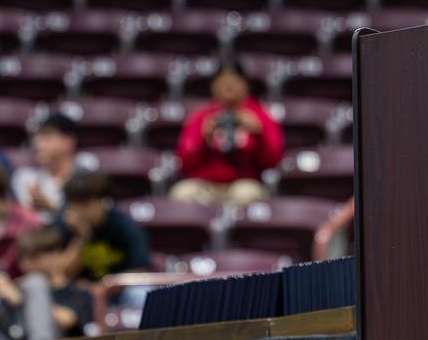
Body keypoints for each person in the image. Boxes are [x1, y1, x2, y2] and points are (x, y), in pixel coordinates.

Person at [168, 63, 284, 207]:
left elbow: (273, 161)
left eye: (234, 83)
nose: (229, 88)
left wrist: (259, 134)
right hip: (205, 184)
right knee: (182, 193)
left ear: (245, 85)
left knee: (245, 194)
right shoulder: (202, 116)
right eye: (223, 83)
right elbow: (184, 162)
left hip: (243, 182)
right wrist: (203, 138)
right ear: (213, 87)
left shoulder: (260, 116)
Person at [56, 172, 150, 287]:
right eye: (74, 204)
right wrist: (81, 238)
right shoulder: (63, 225)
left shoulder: (123, 225)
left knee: (139, 293)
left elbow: (140, 271)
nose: (79, 211)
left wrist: (106, 287)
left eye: (85, 204)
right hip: (79, 294)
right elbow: (62, 275)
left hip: (119, 292)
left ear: (103, 201)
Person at [12, 116, 85, 214]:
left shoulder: (86, 181)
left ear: (68, 141)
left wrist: (53, 208)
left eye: (46, 138)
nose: (38, 145)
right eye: (36, 138)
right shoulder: (26, 179)